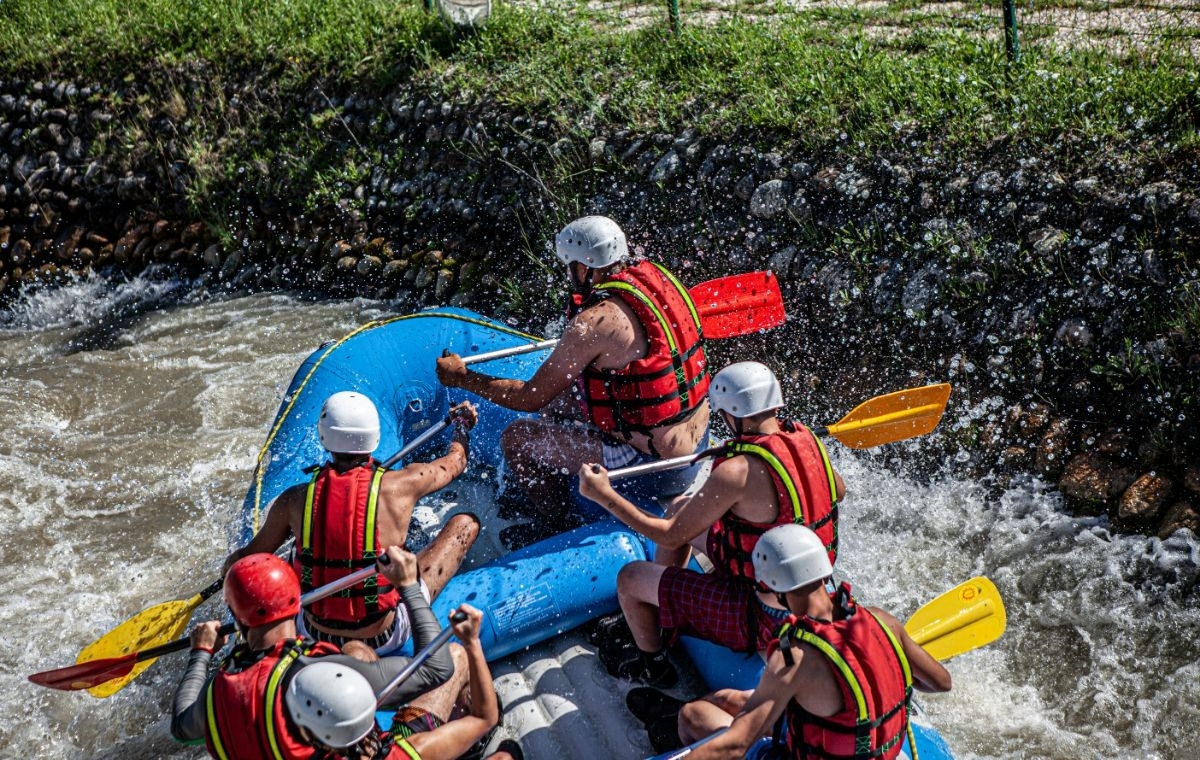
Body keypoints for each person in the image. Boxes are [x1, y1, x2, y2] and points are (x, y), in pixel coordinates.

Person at [435, 215, 711, 548]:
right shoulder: (658, 280)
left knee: (517, 439)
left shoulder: (595, 322)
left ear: (584, 268)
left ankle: (554, 523)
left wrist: (462, 377)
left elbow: (529, 398)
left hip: (657, 468)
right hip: (697, 443)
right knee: (555, 404)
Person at [577, 361, 845, 687]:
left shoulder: (736, 471)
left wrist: (604, 495)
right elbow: (838, 491)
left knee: (630, 579)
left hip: (760, 614)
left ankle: (654, 666)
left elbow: (670, 536)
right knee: (680, 506)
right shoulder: (808, 441)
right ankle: (661, 609)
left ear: (731, 414)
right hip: (803, 586)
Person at [224, 391, 481, 654]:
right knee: (465, 524)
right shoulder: (406, 483)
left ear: (324, 436)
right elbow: (456, 462)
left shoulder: (294, 500)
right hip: (386, 636)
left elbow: (245, 561)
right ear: (374, 436)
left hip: (311, 632)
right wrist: (462, 425)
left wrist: (230, 565)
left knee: (294, 551)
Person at [673, 524, 952, 759]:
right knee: (726, 699)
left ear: (775, 589)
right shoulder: (882, 620)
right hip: (873, 747)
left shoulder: (794, 658)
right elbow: (941, 682)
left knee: (692, 715)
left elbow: (735, 746)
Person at [171, 548, 456, 758]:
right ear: (297, 603)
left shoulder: (216, 692)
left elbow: (181, 727)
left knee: (356, 652)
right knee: (457, 656)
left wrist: (201, 652)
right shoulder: (318, 671)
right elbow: (436, 668)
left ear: (237, 617)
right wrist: (408, 585)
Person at [283, 606, 524, 760]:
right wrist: (472, 642)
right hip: (401, 748)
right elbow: (485, 717)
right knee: (457, 657)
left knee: (356, 651)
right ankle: (466, 746)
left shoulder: (289, 740)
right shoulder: (401, 754)